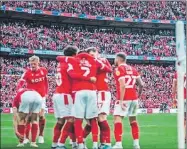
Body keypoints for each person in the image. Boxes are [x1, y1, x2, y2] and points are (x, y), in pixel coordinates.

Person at [82, 47, 112, 149]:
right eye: (90, 55)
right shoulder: (87, 64)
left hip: (102, 92)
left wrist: (98, 63)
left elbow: (110, 69)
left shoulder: (103, 60)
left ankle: (106, 143)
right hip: (92, 92)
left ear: (98, 54)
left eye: (94, 54)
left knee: (101, 118)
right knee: (92, 120)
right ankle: (82, 139)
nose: (93, 57)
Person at [113, 52, 144, 149]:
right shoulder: (134, 69)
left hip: (124, 98)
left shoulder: (118, 69)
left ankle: (118, 144)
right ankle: (136, 144)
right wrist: (138, 95)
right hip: (134, 99)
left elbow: (122, 85)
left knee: (117, 119)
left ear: (118, 59)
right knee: (133, 120)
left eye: (115, 59)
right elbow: (141, 84)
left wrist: (121, 101)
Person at [51, 46, 80, 149]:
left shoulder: (60, 64)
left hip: (58, 93)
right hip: (65, 95)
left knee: (60, 121)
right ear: (73, 55)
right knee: (71, 119)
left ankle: (55, 143)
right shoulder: (69, 63)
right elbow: (74, 76)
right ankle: (60, 144)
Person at [17, 55, 48, 144]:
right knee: (29, 117)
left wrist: (46, 92)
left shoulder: (44, 70)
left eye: (34, 63)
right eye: (31, 64)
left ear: (38, 62)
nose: (33, 65)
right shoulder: (27, 73)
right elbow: (20, 82)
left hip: (41, 96)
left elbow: (46, 82)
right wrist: (19, 89)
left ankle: (41, 135)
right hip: (30, 97)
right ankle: (27, 137)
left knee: (41, 116)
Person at [172, 72, 186, 141]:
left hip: (181, 98)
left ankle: (183, 136)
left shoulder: (177, 73)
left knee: (183, 118)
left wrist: (173, 97)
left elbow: (174, 85)